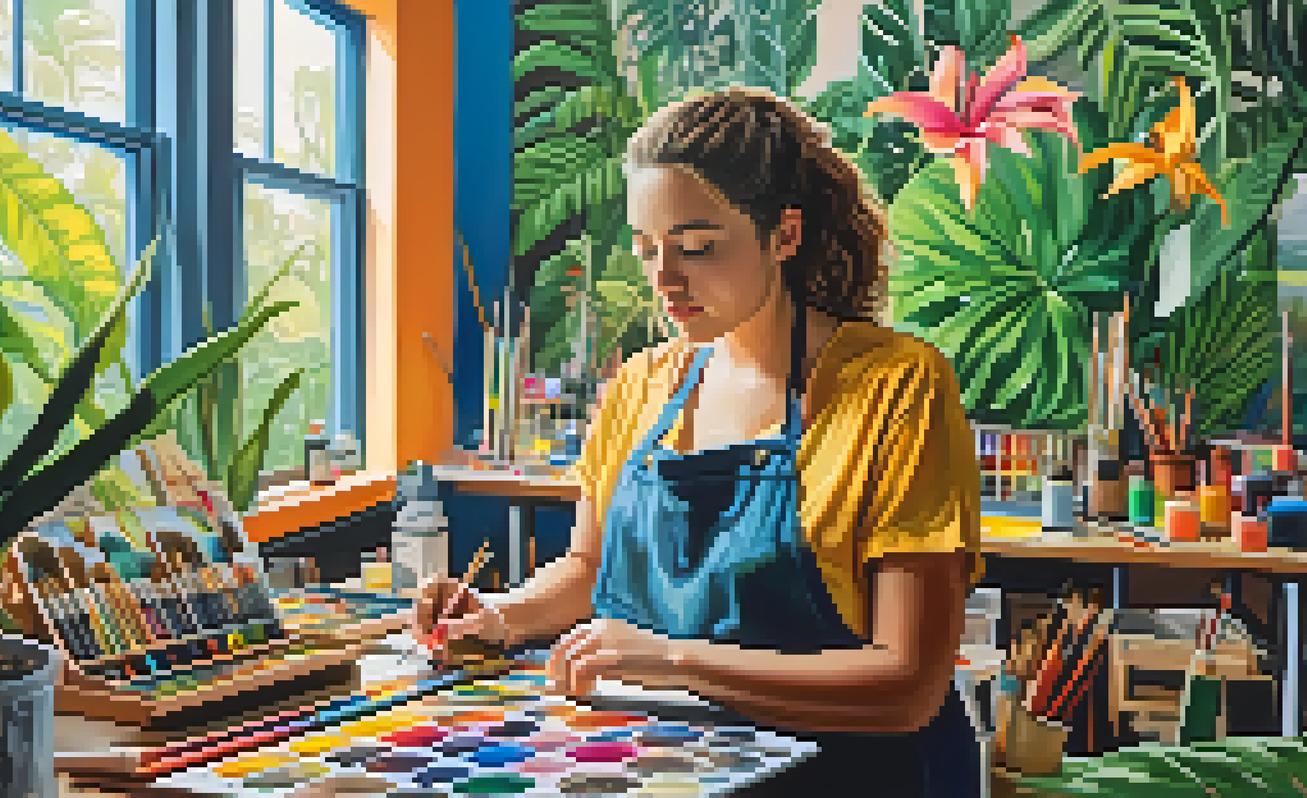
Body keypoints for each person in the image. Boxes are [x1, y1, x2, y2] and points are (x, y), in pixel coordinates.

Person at [415, 86, 983, 796]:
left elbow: (908, 685)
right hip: (676, 772)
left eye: (697, 248)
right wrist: (500, 615)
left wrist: (673, 659)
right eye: (647, 249)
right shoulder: (638, 386)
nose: (665, 280)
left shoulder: (897, 388)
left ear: (785, 235)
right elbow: (590, 570)